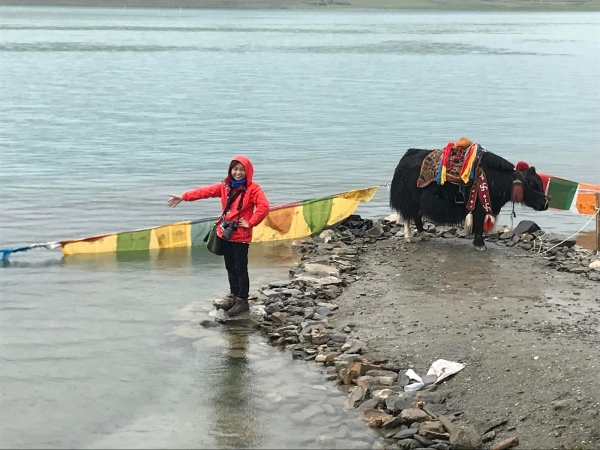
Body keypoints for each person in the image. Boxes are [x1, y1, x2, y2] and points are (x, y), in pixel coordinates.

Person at [167, 155, 269, 316]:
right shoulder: (225, 186)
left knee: (241, 269)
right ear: (230, 170)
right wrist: (184, 196)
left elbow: (264, 207)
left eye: (242, 169)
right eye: (235, 169)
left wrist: (251, 222)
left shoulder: (253, 189)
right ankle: (233, 296)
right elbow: (205, 192)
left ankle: (242, 301)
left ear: (248, 171)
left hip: (241, 236)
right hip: (225, 233)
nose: (238, 173)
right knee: (230, 267)